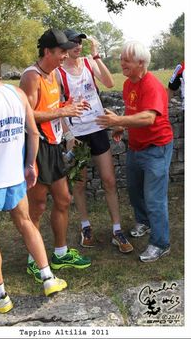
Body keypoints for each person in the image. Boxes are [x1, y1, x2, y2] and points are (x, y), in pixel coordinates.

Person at [0, 50, 67, 314]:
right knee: (26, 223)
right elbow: (34, 133)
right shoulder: (17, 94)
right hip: (16, 175)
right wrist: (30, 165)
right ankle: (48, 278)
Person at [20, 28, 91, 282]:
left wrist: (68, 109)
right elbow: (28, 116)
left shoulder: (53, 75)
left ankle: (60, 254)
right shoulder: (32, 76)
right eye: (61, 51)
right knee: (37, 207)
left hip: (54, 144)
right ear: (48, 51)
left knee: (63, 199)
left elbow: (51, 107)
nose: (65, 55)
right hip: (37, 146)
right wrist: (63, 112)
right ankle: (33, 260)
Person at [56, 28, 133, 253]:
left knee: (109, 180)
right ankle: (85, 226)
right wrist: (68, 136)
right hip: (77, 133)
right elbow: (56, 107)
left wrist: (97, 55)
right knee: (79, 183)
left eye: (79, 42)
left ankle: (117, 230)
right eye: (72, 43)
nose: (77, 46)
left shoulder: (90, 62)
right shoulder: (59, 72)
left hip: (97, 127)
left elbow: (109, 83)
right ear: (64, 47)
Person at [96, 41, 174, 262]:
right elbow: (135, 112)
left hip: (156, 149)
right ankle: (144, 222)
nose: (122, 63)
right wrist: (122, 126)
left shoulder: (152, 86)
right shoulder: (129, 84)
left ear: (141, 63)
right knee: (134, 190)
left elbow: (149, 117)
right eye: (121, 59)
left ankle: (161, 243)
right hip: (136, 148)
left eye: (126, 60)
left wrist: (118, 120)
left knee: (155, 199)